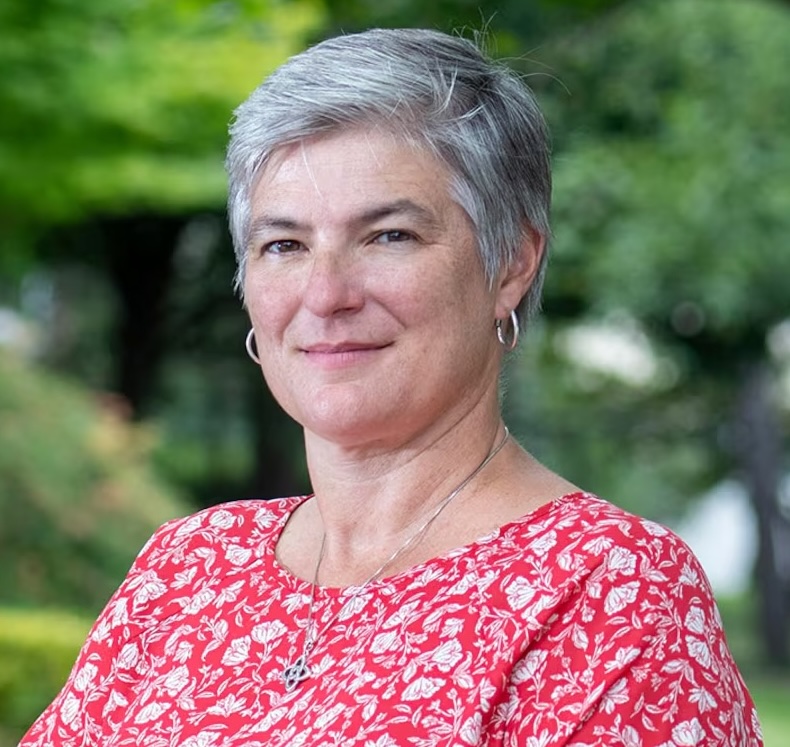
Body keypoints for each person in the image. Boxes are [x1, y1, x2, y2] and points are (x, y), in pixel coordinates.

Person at [20, 28, 761, 747]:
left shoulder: (611, 594)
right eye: (284, 244)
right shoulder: (188, 567)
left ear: (510, 263)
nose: (326, 293)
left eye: (389, 235)